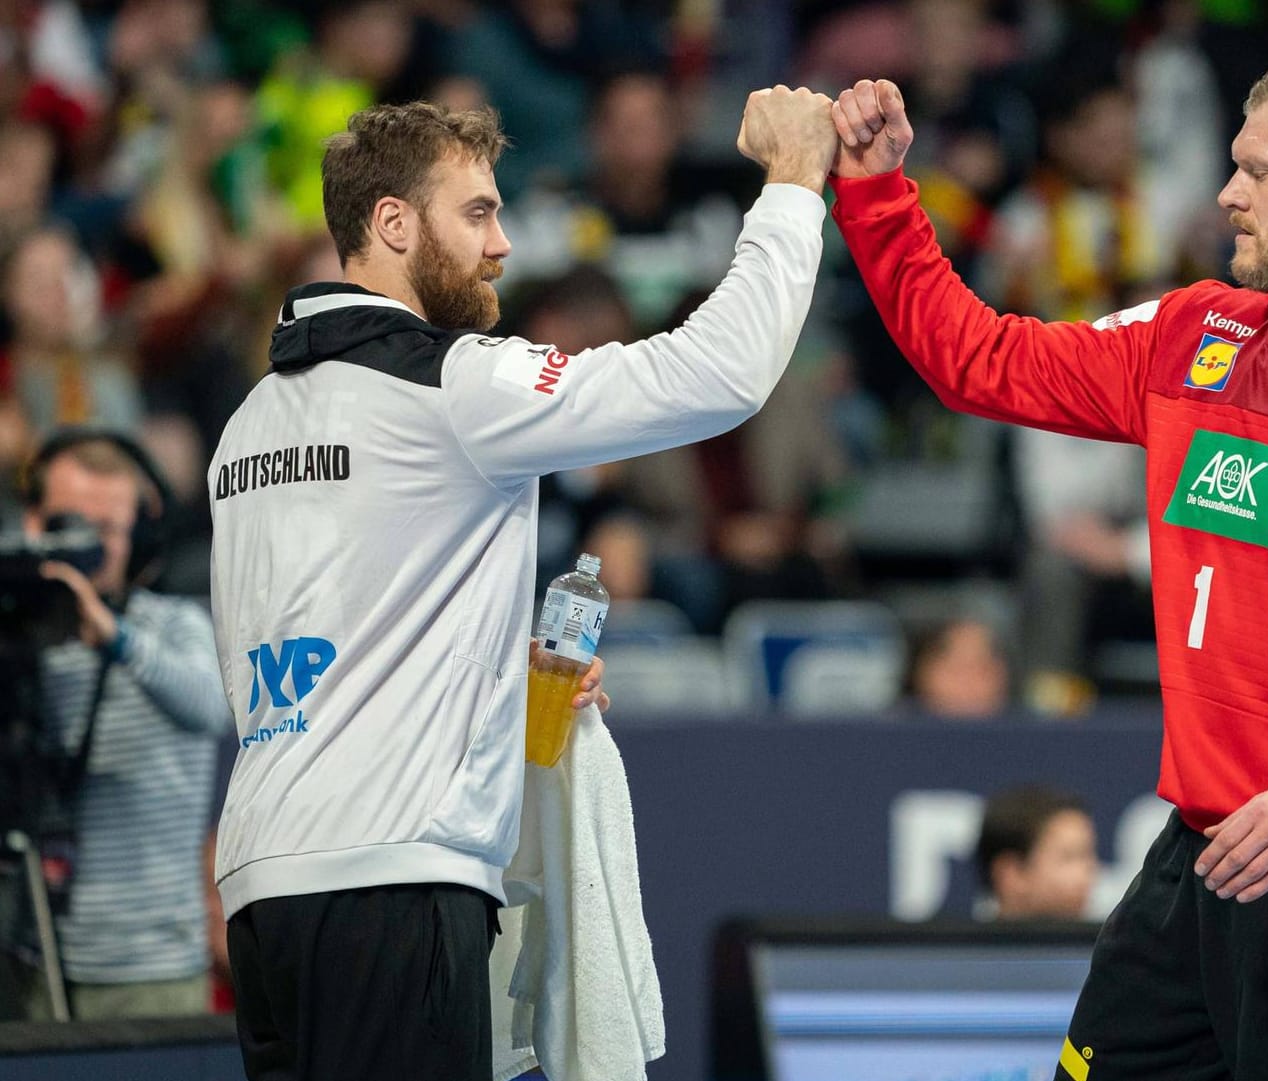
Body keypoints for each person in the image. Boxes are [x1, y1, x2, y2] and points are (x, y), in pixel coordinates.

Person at [826, 54, 1268, 1081]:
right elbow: (974, 359)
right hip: (1196, 854)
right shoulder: (1194, 332)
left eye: (1256, 170)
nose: (1225, 193)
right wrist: (878, 190)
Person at [208, 90, 834, 1081]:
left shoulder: (250, 423)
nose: (503, 243)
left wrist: (499, 670)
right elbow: (715, 376)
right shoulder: (453, 383)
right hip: (397, 876)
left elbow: (304, 629)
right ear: (393, 223)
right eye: (478, 213)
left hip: (265, 883)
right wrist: (796, 183)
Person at [2, 428, 231, 1020]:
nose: (87, 546)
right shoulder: (18, 642)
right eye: (67, 525)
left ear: (141, 536)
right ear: (33, 525)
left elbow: (210, 703)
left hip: (154, 971)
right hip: (37, 964)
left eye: (105, 530)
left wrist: (114, 638)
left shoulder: (175, 624)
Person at [974, 785, 1098, 920]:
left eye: (1088, 855)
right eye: (1069, 856)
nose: (1090, 868)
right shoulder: (961, 941)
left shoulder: (1100, 940)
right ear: (1011, 873)